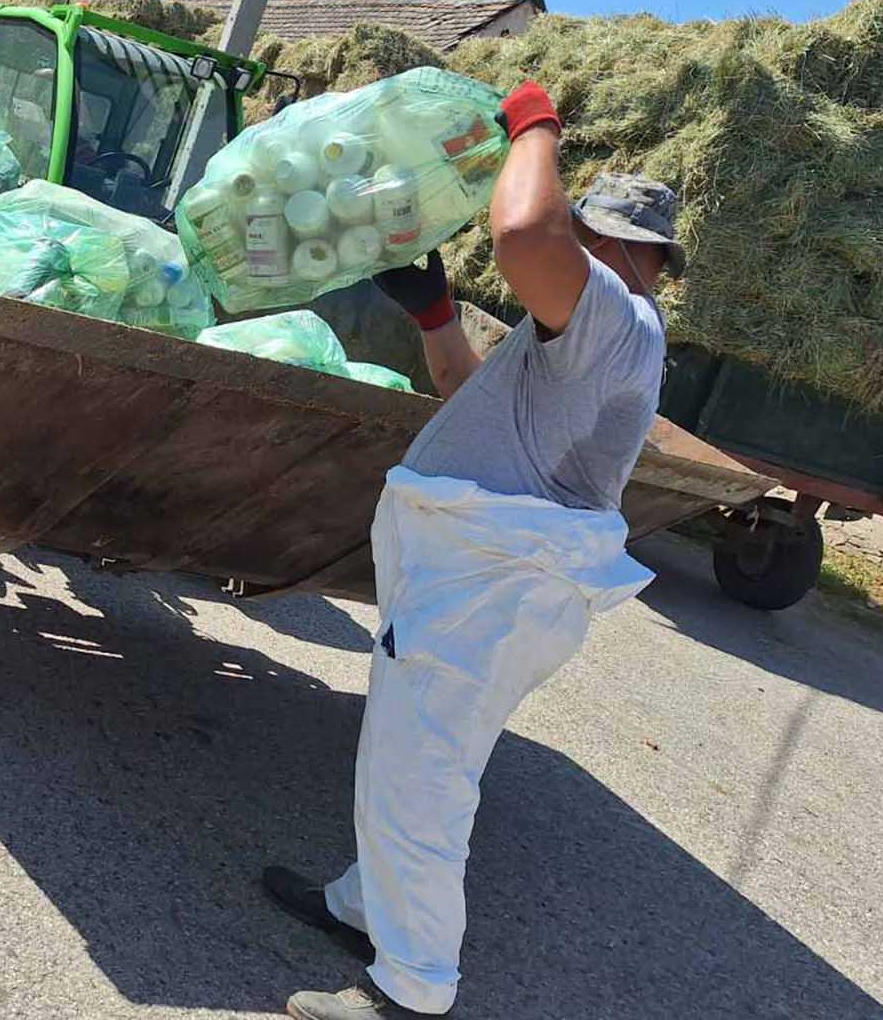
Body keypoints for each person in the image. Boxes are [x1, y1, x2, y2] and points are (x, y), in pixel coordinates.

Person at [265, 83, 685, 1018]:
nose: (571, 247)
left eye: (584, 233)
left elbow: (524, 234)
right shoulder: (580, 337)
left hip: (490, 591)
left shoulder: (615, 316)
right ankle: (363, 906)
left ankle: (411, 991)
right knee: (407, 758)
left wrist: (536, 122)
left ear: (618, 248)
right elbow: (468, 396)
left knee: (425, 779)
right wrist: (434, 315)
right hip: (478, 584)